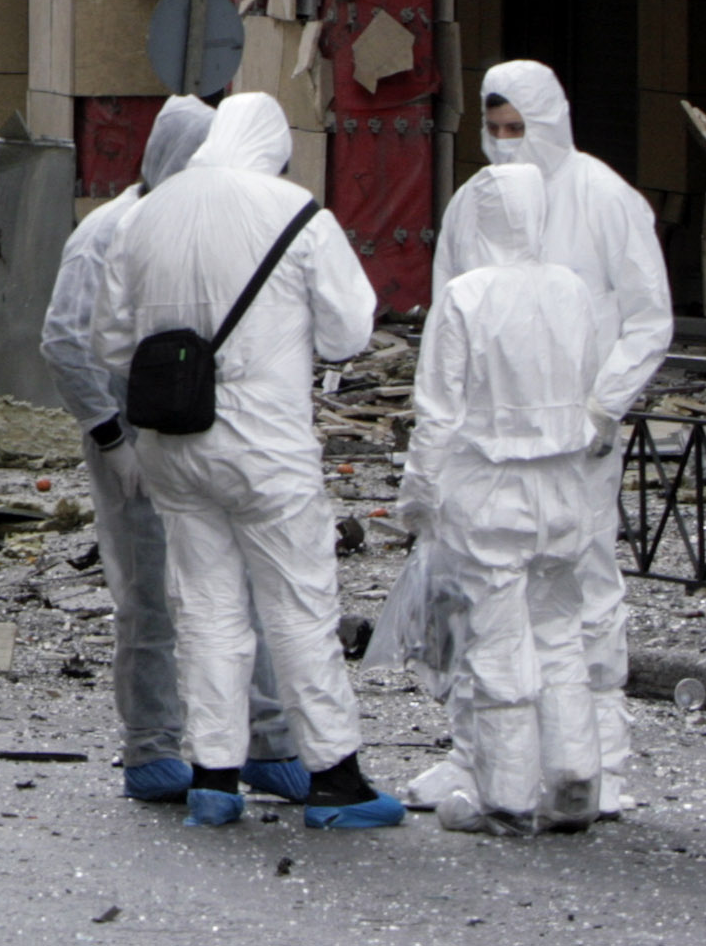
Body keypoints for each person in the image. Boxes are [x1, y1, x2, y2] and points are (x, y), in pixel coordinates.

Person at [100, 91, 396, 830]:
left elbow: (110, 342)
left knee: (203, 609)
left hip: (172, 442)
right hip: (266, 444)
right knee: (296, 606)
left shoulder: (143, 214)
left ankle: (213, 778)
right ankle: (334, 776)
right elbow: (348, 330)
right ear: (272, 145)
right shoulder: (295, 211)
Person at [41, 98, 306, 804]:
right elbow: (66, 339)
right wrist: (110, 437)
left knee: (241, 583)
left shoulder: (202, 222)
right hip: (135, 435)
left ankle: (267, 739)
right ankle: (152, 745)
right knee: (151, 595)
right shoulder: (104, 234)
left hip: (205, 433)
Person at [442, 60, 674, 804]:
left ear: (550, 123)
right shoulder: (471, 206)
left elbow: (646, 316)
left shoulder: (603, 197)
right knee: (483, 601)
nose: (507, 144)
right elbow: (451, 324)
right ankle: (478, 756)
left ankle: (597, 757)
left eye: (519, 129)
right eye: (495, 129)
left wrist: (602, 406)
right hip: (493, 443)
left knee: (586, 587)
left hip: (577, 440)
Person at [396, 165, 617, 833]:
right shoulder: (571, 289)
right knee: (557, 629)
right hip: (563, 486)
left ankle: (507, 793)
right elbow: (591, 386)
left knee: (494, 638)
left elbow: (436, 412)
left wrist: (418, 494)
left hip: (489, 488)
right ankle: (576, 774)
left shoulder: (464, 297)